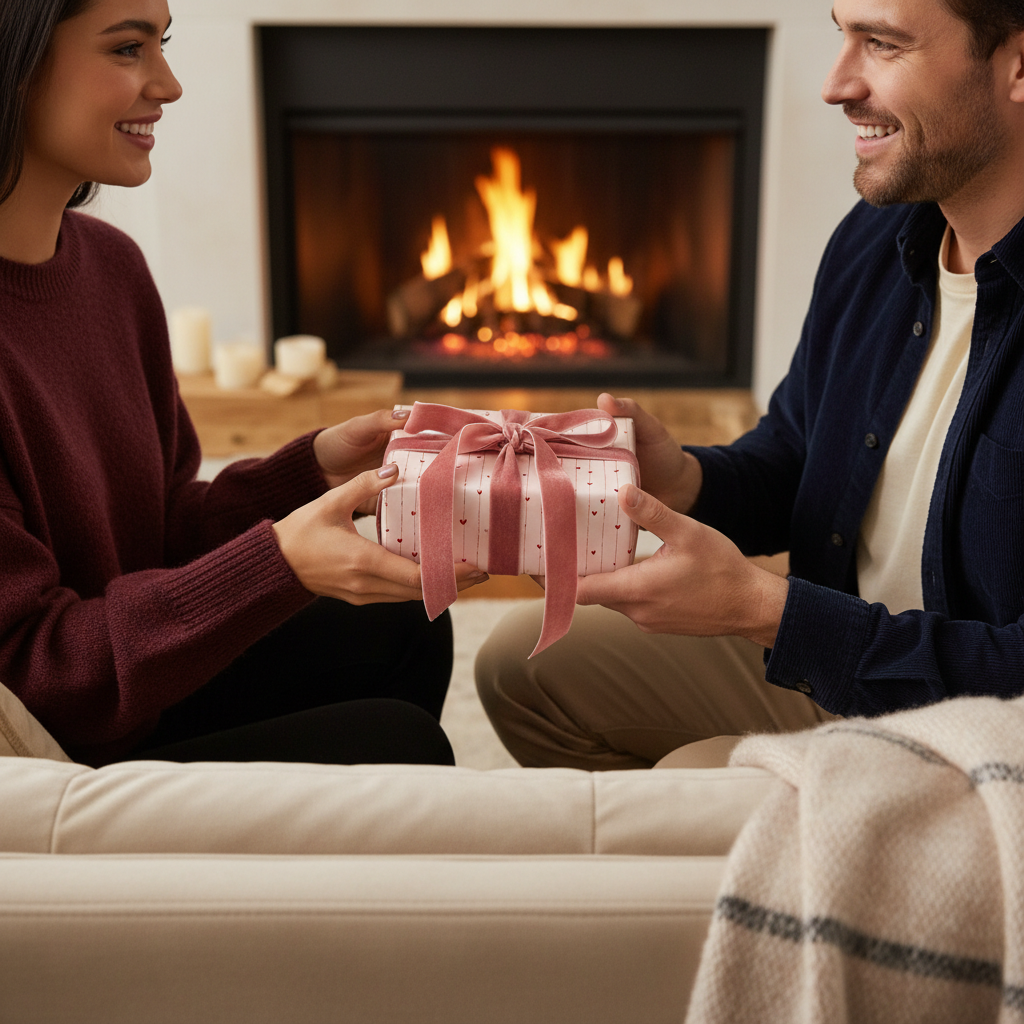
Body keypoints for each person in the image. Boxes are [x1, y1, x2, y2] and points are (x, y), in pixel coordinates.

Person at [476, 0, 1024, 769]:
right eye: (842, 35)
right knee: (521, 661)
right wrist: (690, 479)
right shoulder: (879, 237)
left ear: (1017, 65)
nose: (836, 84)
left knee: (691, 787)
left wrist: (765, 610)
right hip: (842, 659)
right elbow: (800, 450)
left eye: (884, 45)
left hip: (986, 735)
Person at [0, 0, 486, 768]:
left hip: (136, 684)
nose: (170, 84)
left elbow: (158, 527)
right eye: (128, 49)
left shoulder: (110, 268)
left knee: (405, 617)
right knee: (402, 747)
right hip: (58, 752)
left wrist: (311, 468)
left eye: (162, 44)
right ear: (14, 60)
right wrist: (279, 564)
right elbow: (37, 673)